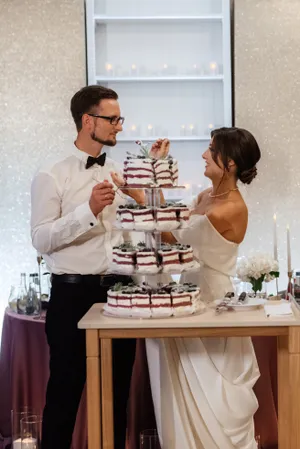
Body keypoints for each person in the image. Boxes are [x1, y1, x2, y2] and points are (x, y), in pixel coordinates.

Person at [118, 127, 262, 449]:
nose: (203, 155)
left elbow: (176, 239)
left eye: (211, 149)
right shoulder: (204, 198)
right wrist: (157, 168)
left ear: (231, 164)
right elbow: (175, 226)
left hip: (214, 301)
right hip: (189, 293)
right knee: (182, 385)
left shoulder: (233, 208)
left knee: (211, 392)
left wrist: (143, 198)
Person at [30, 85, 136, 449]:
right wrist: (87, 212)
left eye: (120, 118)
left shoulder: (122, 175)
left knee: (117, 396)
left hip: (121, 296)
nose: (119, 126)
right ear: (87, 121)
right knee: (64, 393)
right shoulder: (52, 174)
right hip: (73, 294)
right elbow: (41, 240)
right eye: (112, 119)